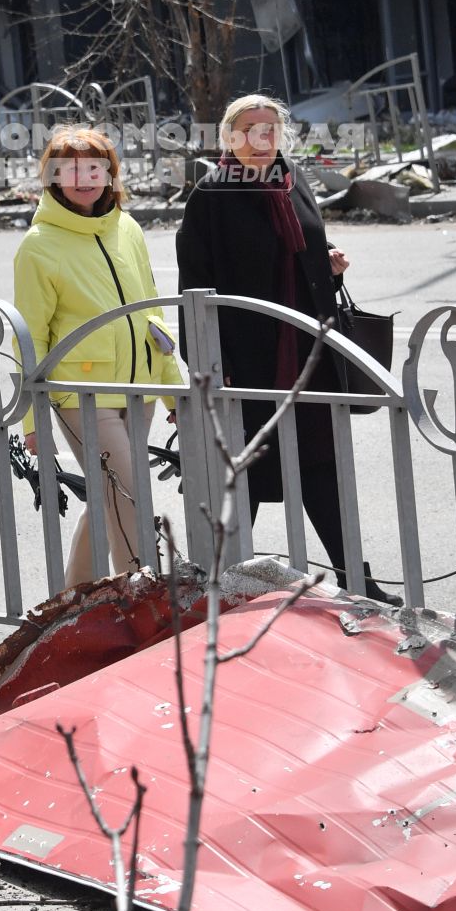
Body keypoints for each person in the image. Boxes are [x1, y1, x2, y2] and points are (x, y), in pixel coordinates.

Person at [175, 93, 398, 603]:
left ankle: (356, 579)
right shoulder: (213, 195)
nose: (261, 139)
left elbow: (298, 248)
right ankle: (216, 584)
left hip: (306, 358)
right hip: (248, 366)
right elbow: (195, 288)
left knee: (321, 467)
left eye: (269, 130)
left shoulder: (292, 180)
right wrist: (207, 368)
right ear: (229, 137)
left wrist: (327, 259)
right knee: (247, 475)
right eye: (248, 129)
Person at [13, 125, 182, 587]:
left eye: (94, 167)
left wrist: (174, 394)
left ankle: (74, 599)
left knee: (110, 496)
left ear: (110, 174)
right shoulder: (38, 246)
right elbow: (28, 339)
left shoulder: (127, 228)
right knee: (129, 495)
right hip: (81, 396)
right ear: (52, 177)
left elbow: (154, 317)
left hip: (139, 388)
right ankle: (142, 597)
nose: (83, 178)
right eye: (69, 169)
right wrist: (32, 423)